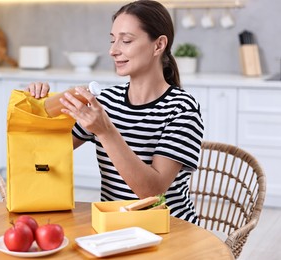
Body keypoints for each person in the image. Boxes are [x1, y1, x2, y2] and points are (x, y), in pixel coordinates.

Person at [27, 0, 204, 224]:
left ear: (158, 45)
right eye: (112, 40)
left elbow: (152, 192)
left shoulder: (182, 109)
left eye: (126, 40)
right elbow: (43, 152)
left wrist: (105, 131)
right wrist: (35, 107)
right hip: (115, 229)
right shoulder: (106, 102)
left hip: (171, 231)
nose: (113, 50)